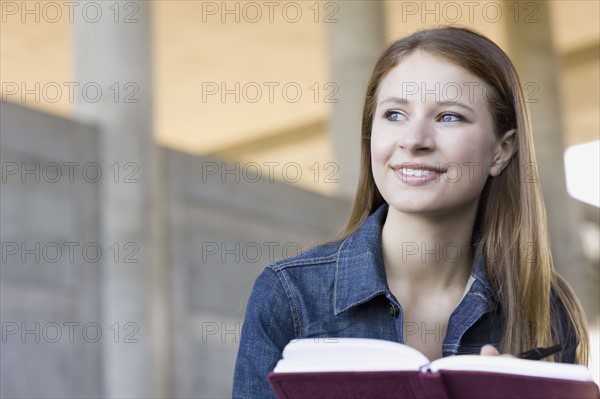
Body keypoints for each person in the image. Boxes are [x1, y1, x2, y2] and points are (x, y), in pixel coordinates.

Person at [232, 26, 591, 398]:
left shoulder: (544, 305)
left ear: (501, 151)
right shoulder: (291, 295)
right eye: (394, 114)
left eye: (449, 117)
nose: (414, 140)